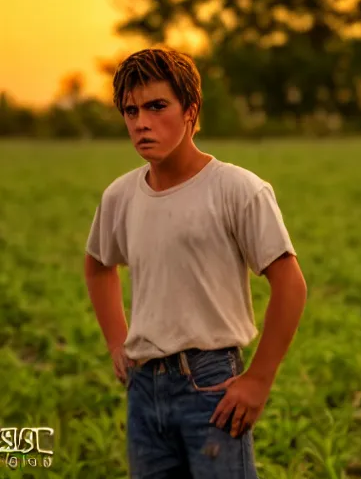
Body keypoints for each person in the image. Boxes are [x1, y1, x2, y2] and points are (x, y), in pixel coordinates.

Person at [83, 47, 308, 478]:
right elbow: (97, 265)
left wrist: (258, 379)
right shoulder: (120, 196)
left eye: (156, 106)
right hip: (144, 387)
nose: (142, 122)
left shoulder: (236, 189)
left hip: (211, 383)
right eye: (130, 111)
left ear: (191, 110)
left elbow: (290, 285)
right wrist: (117, 339)